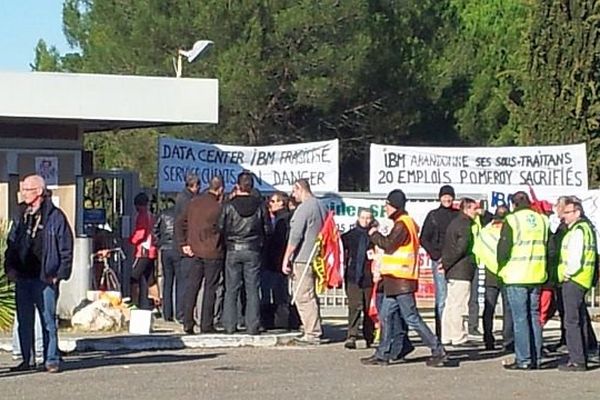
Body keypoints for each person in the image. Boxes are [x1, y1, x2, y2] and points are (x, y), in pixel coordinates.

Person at [361, 189, 447, 367]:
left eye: (387, 205)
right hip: (394, 280)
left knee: (411, 318)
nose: (385, 208)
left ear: (395, 206)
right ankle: (382, 353)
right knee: (385, 316)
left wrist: (374, 234)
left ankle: (437, 349)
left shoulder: (402, 224)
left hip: (401, 280)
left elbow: (389, 244)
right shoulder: (405, 222)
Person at [5, 174, 73, 373]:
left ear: (39, 192)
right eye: (23, 189)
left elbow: (66, 248)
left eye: (27, 189)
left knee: (48, 321)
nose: (23, 193)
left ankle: (51, 359)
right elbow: (11, 243)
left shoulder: (55, 217)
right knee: (24, 321)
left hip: (45, 277)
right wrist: (9, 268)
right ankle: (27, 360)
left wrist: (59, 274)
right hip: (22, 276)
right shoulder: (21, 214)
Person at [497, 191, 548, 370]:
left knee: (520, 319)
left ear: (514, 204)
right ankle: (537, 357)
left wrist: (501, 268)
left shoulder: (512, 220)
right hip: (537, 274)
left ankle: (524, 359)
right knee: (534, 317)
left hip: (516, 274)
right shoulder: (542, 220)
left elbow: (503, 248)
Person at [219, 172, 271, 335]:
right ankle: (253, 326)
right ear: (252, 186)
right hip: (253, 249)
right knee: (252, 289)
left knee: (231, 289)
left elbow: (221, 227)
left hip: (233, 249)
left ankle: (229, 325)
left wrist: (228, 240)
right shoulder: (260, 205)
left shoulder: (229, 205)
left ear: (237, 185)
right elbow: (268, 229)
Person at [282, 178, 327, 345]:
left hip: (303, 258)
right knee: (311, 295)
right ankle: (313, 327)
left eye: (294, 192)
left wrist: (286, 258)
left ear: (300, 188)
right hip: (317, 256)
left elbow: (295, 236)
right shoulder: (321, 206)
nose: (294, 196)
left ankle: (312, 333)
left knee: (303, 295)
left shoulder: (304, 209)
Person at [178, 176, 225, 334]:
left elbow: (180, 223)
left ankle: (188, 322)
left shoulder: (194, 203)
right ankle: (206, 324)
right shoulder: (218, 208)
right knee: (210, 289)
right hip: (213, 251)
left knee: (192, 287)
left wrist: (183, 243)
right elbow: (223, 229)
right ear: (220, 189)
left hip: (194, 250)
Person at [556, 196, 598, 371]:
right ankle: (582, 355)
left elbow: (575, 257)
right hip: (582, 278)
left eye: (567, 212)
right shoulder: (586, 228)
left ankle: (577, 360)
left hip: (574, 279)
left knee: (571, 321)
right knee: (579, 318)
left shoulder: (578, 230)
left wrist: (567, 273)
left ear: (577, 212)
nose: (563, 216)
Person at [472, 205, 514, 351]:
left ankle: (488, 340)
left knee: (489, 308)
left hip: (490, 273)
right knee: (508, 309)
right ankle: (508, 341)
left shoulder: (485, 231)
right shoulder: (510, 230)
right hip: (507, 272)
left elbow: (477, 249)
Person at [420, 185, 458, 338]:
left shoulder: (458, 215)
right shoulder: (433, 215)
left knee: (455, 298)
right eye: (444, 196)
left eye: (450, 196)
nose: (447, 199)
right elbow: (423, 238)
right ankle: (441, 333)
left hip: (455, 261)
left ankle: (452, 332)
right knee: (441, 298)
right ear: (440, 197)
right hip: (440, 260)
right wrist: (435, 255)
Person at [441, 198, 479, 346]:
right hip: (461, 269)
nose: (476, 212)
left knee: (450, 304)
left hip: (453, 270)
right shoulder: (464, 224)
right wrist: (447, 263)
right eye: (474, 209)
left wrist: (446, 264)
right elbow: (461, 248)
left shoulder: (455, 222)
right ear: (467, 209)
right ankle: (458, 336)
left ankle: (446, 335)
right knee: (459, 305)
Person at [342, 208, 376, 349]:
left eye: (368, 218)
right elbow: (338, 247)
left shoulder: (375, 235)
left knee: (369, 308)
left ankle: (370, 336)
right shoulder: (350, 235)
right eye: (363, 217)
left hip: (369, 276)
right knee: (354, 306)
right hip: (353, 275)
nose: (365, 220)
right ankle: (352, 335)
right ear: (358, 218)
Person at [261, 191, 294, 329]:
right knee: (279, 292)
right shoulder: (279, 218)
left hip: (275, 260)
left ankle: (275, 321)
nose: (271, 204)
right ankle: (280, 321)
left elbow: (279, 241)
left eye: (275, 201)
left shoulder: (282, 219)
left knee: (275, 292)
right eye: (271, 201)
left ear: (282, 203)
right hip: (277, 260)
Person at [129, 192, 158, 310]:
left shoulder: (142, 216)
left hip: (143, 251)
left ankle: (134, 303)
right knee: (150, 279)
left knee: (134, 277)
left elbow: (140, 234)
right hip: (151, 250)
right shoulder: (152, 216)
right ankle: (156, 304)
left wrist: (131, 240)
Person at [153, 202, 181, 322]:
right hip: (178, 249)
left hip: (165, 249)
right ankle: (178, 313)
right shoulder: (182, 214)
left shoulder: (163, 214)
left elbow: (155, 230)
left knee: (167, 281)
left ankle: (167, 313)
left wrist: (160, 243)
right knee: (179, 282)